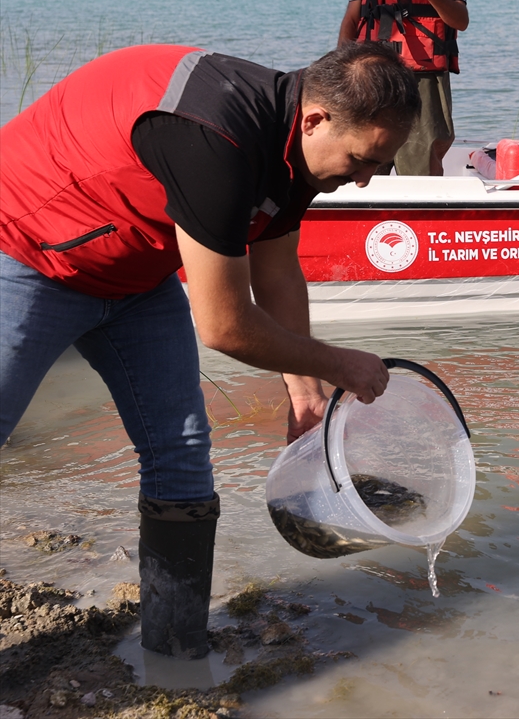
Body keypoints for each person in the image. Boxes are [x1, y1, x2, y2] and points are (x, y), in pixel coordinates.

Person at [0, 42, 419, 660]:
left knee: (181, 453)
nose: (361, 179)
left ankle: (176, 651)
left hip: (135, 272)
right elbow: (224, 325)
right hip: (24, 245)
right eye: (360, 160)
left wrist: (306, 394)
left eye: (379, 167)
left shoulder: (301, 153)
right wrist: (339, 364)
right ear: (315, 119)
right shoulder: (214, 138)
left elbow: (276, 273)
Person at [338, 0, 470, 177]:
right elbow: (353, 18)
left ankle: (424, 202)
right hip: (373, 74)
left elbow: (460, 20)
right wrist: (342, 71)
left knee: (421, 163)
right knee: (366, 159)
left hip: (424, 77)